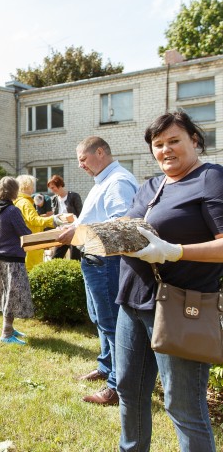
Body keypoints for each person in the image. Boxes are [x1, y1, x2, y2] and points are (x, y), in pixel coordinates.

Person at [115, 111, 223, 451]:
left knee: (183, 405)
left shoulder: (211, 178)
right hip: (133, 303)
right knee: (129, 392)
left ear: (194, 140)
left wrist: (174, 251)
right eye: (157, 144)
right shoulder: (150, 186)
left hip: (181, 305)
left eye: (174, 140)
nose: (165, 150)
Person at [57, 136, 138, 406]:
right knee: (99, 318)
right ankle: (106, 367)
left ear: (100, 152)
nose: (80, 165)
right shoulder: (103, 181)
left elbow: (123, 227)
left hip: (108, 263)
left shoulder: (117, 182)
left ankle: (116, 386)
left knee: (112, 323)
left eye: (83, 159)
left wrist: (78, 231)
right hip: (95, 259)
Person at [0, 177, 34, 346]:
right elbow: (24, 232)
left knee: (7, 294)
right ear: (14, 191)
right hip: (13, 258)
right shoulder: (12, 210)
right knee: (13, 296)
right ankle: (6, 334)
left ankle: (10, 328)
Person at [14, 175, 65, 271]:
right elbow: (34, 220)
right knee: (32, 271)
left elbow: (29, 219)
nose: (33, 188)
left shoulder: (19, 201)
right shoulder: (25, 203)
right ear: (27, 186)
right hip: (32, 242)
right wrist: (53, 219)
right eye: (32, 185)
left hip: (26, 242)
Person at [47, 174, 83, 260]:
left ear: (59, 185)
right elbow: (55, 217)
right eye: (50, 188)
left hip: (74, 231)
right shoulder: (54, 199)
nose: (52, 190)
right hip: (61, 231)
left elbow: (81, 214)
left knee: (75, 259)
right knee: (55, 258)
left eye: (53, 187)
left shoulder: (74, 196)